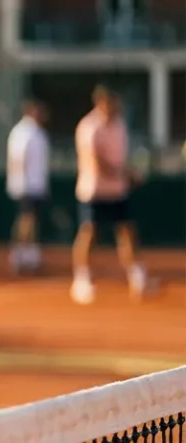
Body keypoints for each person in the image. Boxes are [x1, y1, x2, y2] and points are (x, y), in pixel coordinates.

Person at [70, 86, 149, 304]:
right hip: (93, 190)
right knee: (89, 232)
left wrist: (127, 174)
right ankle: (81, 280)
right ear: (101, 102)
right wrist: (126, 174)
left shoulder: (120, 125)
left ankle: (137, 277)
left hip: (117, 191)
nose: (116, 107)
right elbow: (96, 161)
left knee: (126, 231)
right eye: (112, 102)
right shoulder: (88, 128)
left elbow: (120, 159)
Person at [4, 100, 49, 274]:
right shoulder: (22, 132)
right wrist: (21, 183)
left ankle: (30, 255)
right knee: (25, 219)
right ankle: (18, 255)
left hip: (36, 185)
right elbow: (17, 159)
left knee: (32, 219)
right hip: (25, 185)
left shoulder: (38, 132)